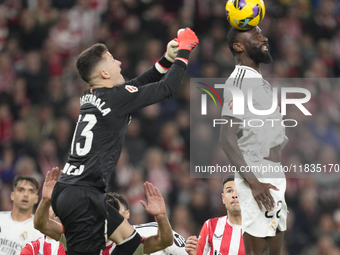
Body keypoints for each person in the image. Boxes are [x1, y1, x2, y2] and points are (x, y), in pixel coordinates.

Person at [50, 28, 198, 255]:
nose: (119, 63)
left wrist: (166, 60)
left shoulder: (91, 95)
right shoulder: (116, 98)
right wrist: (184, 53)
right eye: (112, 60)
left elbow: (135, 86)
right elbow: (167, 88)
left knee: (130, 243)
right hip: (83, 195)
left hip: (75, 190)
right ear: (104, 74)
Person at [219, 26, 288, 255]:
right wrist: (254, 182)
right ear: (238, 46)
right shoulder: (239, 81)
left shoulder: (257, 80)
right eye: (256, 36)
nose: (264, 38)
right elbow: (226, 137)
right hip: (257, 174)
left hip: (273, 172)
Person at [35, 167, 174, 255]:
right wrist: (46, 200)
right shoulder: (77, 234)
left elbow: (165, 241)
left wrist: (161, 216)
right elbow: (41, 224)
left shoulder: (129, 244)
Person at [107, 192, 187, 255]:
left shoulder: (152, 231)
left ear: (127, 214)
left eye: (115, 211)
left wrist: (161, 217)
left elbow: (188, 252)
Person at [185, 175, 244, 255]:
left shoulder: (259, 230)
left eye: (239, 191)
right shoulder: (210, 226)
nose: (234, 195)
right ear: (223, 198)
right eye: (229, 191)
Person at [0, 176, 43, 255]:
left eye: (31, 191)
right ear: (12, 195)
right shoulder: (1, 218)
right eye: (21, 190)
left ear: (36, 199)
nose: (26, 195)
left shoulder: (40, 230)